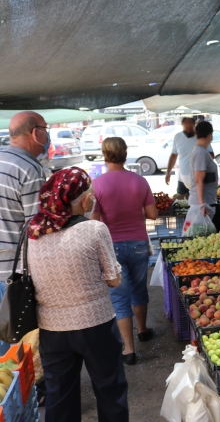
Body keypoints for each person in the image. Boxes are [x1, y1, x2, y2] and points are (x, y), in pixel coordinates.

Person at [26, 168, 129, 422]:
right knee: (110, 391)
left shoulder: (35, 232)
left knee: (60, 398)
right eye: (91, 193)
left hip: (52, 329)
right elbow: (114, 280)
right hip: (96, 325)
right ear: (83, 200)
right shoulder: (94, 229)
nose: (93, 197)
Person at [92, 137, 158, 365]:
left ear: (104, 154)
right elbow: (153, 214)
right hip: (139, 243)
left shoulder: (97, 184)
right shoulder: (139, 181)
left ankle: (128, 350)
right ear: (125, 153)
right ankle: (142, 330)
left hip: (112, 248)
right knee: (139, 289)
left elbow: (94, 221)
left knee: (120, 298)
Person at [0, 111, 48, 284]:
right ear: (36, 133)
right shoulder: (29, 169)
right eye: (46, 129)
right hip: (13, 273)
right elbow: (35, 228)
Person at [190, 121, 220, 231]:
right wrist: (202, 205)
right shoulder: (200, 152)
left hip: (208, 201)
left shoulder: (200, 151)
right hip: (205, 204)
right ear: (210, 135)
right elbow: (198, 179)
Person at [165, 117, 214, 197]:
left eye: (190, 129)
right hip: (182, 180)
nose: (188, 131)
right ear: (182, 126)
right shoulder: (177, 137)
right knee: (181, 205)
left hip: (199, 179)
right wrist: (168, 172)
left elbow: (211, 155)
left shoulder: (200, 137)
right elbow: (174, 155)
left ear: (194, 126)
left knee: (198, 203)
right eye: (186, 129)